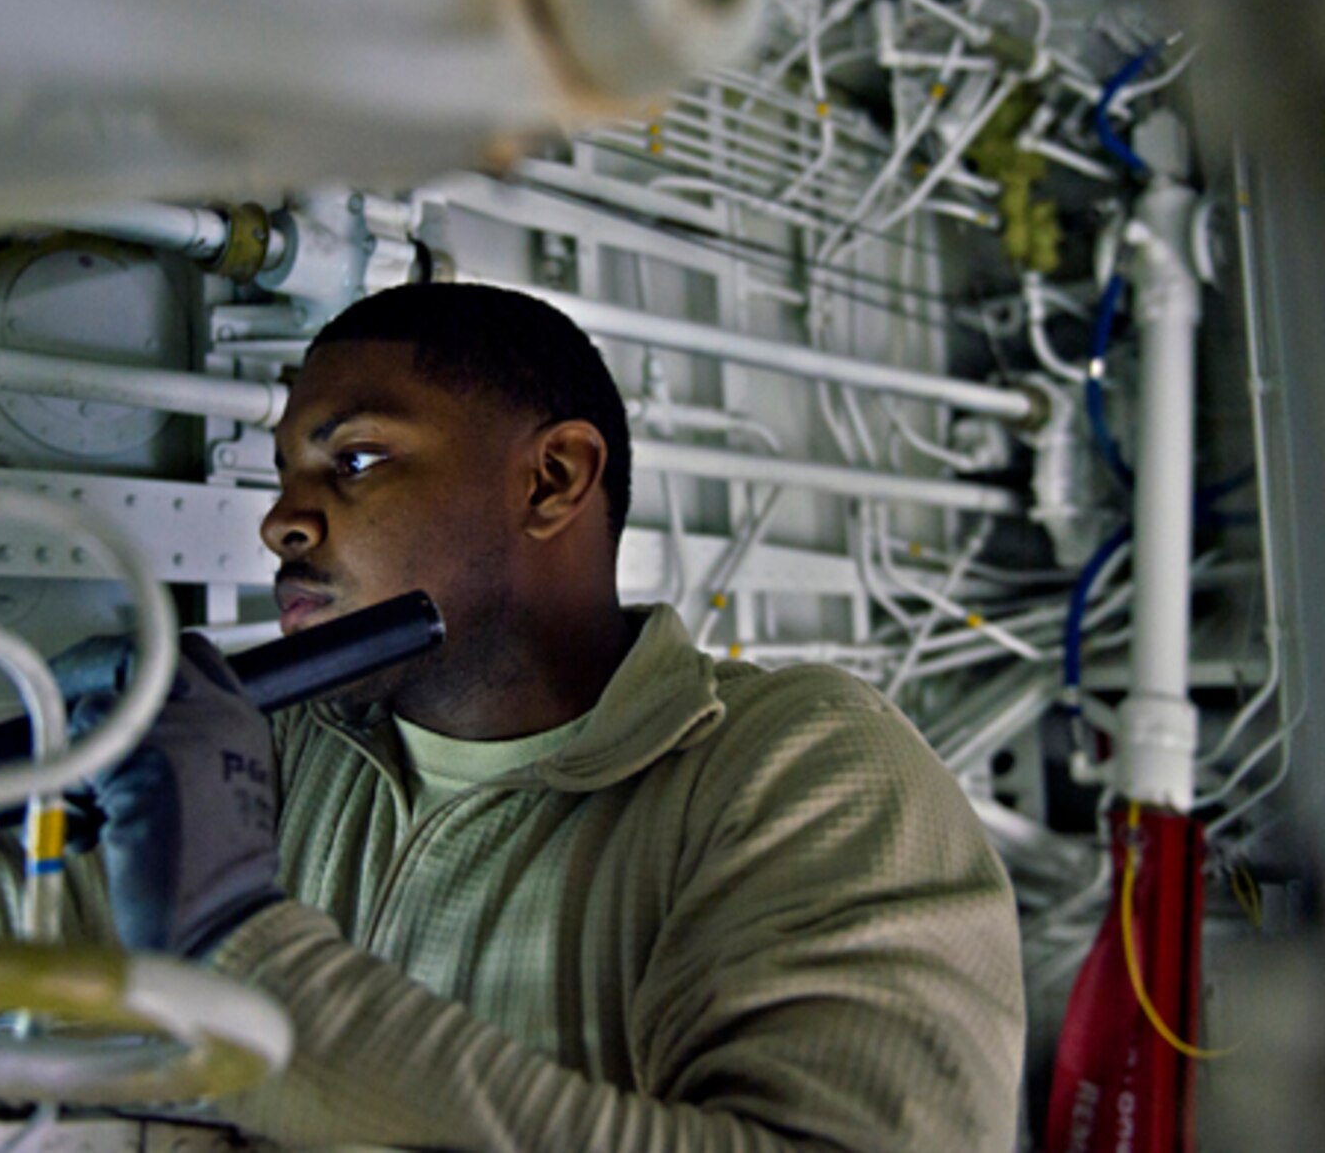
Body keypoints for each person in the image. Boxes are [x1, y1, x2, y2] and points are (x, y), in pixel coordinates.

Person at [79, 282, 1025, 1150]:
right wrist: (31, 786)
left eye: (355, 459)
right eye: (286, 475)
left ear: (553, 479)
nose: (282, 521)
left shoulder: (802, 768)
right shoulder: (275, 756)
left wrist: (242, 948)